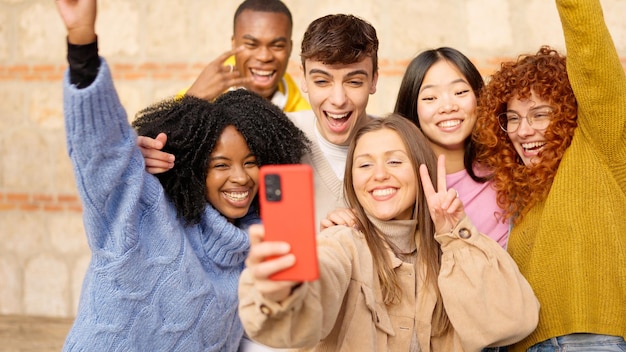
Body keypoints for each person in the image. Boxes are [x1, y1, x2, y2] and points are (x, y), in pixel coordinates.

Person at [56, 0, 309, 350]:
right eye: (220, 164)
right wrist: (82, 42)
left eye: (251, 162)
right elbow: (102, 152)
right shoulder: (146, 214)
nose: (240, 178)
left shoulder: (260, 247)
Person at [238, 114, 539, 351]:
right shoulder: (342, 241)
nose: (379, 174)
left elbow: (510, 323)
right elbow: (301, 312)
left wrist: (454, 233)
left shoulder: (451, 253)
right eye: (365, 164)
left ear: (422, 169)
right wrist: (285, 293)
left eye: (394, 161)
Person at [472, 0, 626, 351]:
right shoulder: (517, 191)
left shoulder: (600, 148)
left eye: (539, 114)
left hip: (591, 341)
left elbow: (590, 47)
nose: (523, 131)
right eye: (511, 118)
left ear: (570, 113)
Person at [142, 13, 380, 228]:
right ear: (304, 78)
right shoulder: (277, 134)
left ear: (374, 81)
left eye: (354, 82)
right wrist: (141, 155)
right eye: (322, 81)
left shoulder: (397, 143)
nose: (338, 99)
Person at [139, 0, 310, 173]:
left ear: (290, 47)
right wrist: (193, 99)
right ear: (234, 43)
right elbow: (152, 145)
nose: (264, 56)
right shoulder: (200, 95)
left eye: (277, 45)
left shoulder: (304, 116)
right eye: (251, 44)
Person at [393, 47, 508, 248]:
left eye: (460, 92)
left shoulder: (507, 167)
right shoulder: (401, 182)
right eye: (430, 98)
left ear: (480, 98)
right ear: (413, 108)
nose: (448, 107)